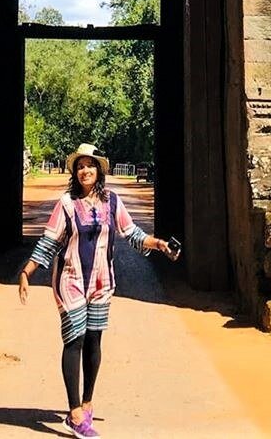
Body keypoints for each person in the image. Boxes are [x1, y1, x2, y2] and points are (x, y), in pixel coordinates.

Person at [17, 142, 180, 437]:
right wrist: (27, 272)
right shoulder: (66, 204)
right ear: (75, 172)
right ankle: (75, 412)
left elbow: (132, 234)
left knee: (94, 340)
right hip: (71, 280)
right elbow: (50, 241)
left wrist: (159, 244)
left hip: (102, 282)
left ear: (99, 170)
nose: (85, 171)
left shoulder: (112, 202)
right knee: (74, 340)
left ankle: (88, 403)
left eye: (89, 165)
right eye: (80, 166)